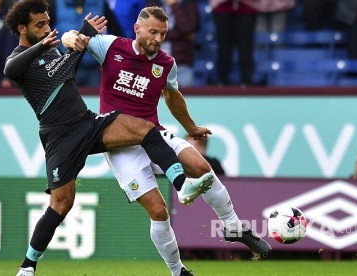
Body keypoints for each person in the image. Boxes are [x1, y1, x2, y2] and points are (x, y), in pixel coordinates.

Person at [2, 1, 214, 275]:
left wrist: (82, 37)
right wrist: (44, 46)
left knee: (145, 128)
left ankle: (182, 184)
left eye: (47, 22)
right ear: (22, 28)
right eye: (39, 25)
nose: (46, 29)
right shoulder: (20, 59)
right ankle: (27, 267)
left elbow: (65, 69)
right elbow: (9, 69)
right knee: (61, 205)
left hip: (86, 123)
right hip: (59, 136)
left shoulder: (51, 49)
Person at [62, 6, 271, 276]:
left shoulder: (166, 63)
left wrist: (190, 127)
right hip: (121, 145)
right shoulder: (110, 46)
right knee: (159, 211)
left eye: (163, 33)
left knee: (202, 168)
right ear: (137, 29)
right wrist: (73, 39)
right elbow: (68, 37)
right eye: (152, 32)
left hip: (154, 135)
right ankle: (177, 271)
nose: (158, 38)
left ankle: (232, 225)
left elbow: (172, 97)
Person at [209, 0, 257, 86]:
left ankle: (246, 81)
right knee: (224, 46)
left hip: (246, 7)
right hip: (222, 7)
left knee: (245, 47)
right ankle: (222, 81)